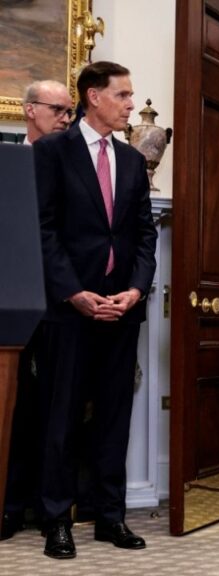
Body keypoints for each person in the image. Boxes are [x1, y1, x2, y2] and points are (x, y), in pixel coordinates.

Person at [31, 61, 157, 560]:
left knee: (114, 417)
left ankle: (109, 516)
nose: (131, 104)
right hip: (69, 310)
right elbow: (42, 229)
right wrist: (73, 292)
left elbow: (144, 235)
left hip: (121, 310)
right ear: (93, 97)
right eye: (123, 95)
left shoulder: (132, 161)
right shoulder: (52, 152)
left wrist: (136, 290)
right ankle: (56, 520)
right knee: (61, 417)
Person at [0, 80, 74, 542]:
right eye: (58, 110)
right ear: (30, 111)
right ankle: (8, 506)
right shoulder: (9, 160)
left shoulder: (75, 163)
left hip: (62, 304)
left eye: (70, 112)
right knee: (13, 406)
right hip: (11, 303)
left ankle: (50, 510)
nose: (66, 119)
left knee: (55, 410)